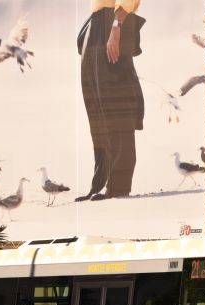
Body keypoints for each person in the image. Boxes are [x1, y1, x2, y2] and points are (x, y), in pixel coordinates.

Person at [77, 0, 145, 202]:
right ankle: (100, 182)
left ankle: (118, 185)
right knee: (97, 111)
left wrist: (116, 28)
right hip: (97, 23)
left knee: (117, 109)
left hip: (114, 22)